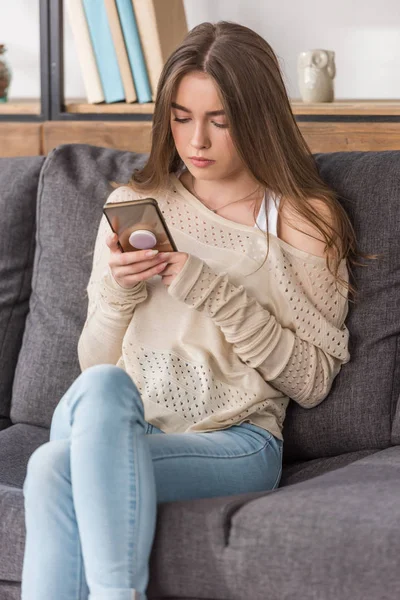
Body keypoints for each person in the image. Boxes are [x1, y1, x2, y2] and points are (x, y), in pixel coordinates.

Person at [21, 20, 370, 600]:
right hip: (116, 422)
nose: (196, 142)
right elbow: (92, 363)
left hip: (233, 440)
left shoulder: (301, 218)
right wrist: (118, 290)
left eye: (220, 121)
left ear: (257, 118)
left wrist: (214, 290)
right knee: (104, 387)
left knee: (52, 469)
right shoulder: (134, 203)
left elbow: (311, 381)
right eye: (181, 118)